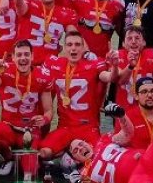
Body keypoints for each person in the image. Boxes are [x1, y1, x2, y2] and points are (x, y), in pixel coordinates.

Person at [37, 32, 114, 167]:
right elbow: (36, 77)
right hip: (65, 127)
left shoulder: (94, 64)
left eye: (78, 45)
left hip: (88, 127)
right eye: (70, 45)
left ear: (84, 48)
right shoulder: (54, 64)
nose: (73, 48)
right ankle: (67, 151)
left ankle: (68, 153)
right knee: (44, 153)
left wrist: (115, 66)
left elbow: (108, 77)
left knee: (98, 158)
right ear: (64, 48)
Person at [0, 42, 53, 164]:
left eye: (26, 54)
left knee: (30, 169)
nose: (23, 58)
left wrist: (45, 119)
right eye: (19, 55)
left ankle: (25, 158)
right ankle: (8, 157)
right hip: (8, 126)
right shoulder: (5, 70)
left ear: (32, 56)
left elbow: (48, 111)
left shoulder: (42, 76)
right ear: (13, 57)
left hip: (29, 129)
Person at [60, 0, 125, 58]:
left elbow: (124, 34)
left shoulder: (117, 7)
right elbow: (56, 2)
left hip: (103, 58)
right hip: (80, 57)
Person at [16, 0, 78, 64]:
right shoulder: (30, 2)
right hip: (26, 63)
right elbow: (19, 7)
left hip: (49, 67)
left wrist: (87, 53)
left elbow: (75, 37)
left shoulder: (65, 12)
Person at [107, 26, 153, 107]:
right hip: (125, 110)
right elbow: (120, 80)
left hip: (149, 108)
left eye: (137, 38)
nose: (133, 41)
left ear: (144, 42)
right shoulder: (117, 56)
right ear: (123, 43)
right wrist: (130, 66)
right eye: (129, 38)